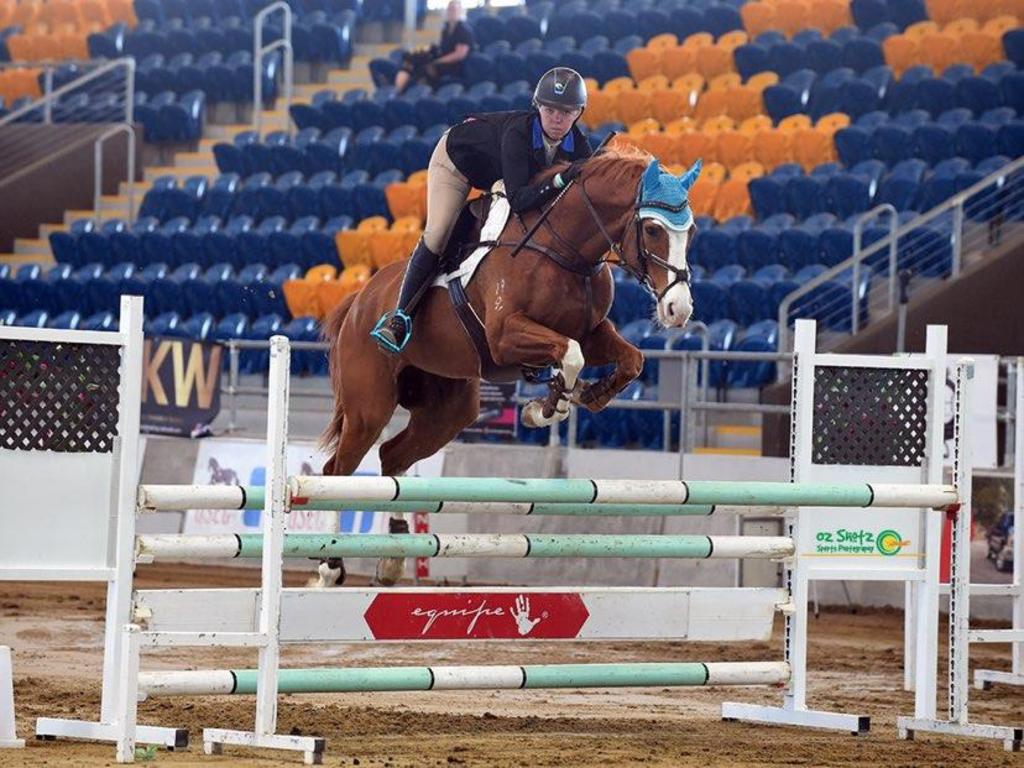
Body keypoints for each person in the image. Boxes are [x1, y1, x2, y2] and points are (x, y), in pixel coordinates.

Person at [371, 66, 593, 354]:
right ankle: (400, 318)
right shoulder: (519, 133)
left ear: (579, 113)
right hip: (456, 162)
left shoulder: (581, 147)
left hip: (499, 174)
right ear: (537, 106)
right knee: (438, 234)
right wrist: (561, 178)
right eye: (550, 110)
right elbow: (520, 199)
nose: (557, 118)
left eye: (566, 111)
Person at [394, 0, 474, 94]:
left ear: (460, 11)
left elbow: (459, 54)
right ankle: (397, 91)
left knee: (426, 68)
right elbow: (442, 48)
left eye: (454, 9)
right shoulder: (446, 29)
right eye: (449, 9)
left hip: (455, 66)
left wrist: (438, 61)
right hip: (442, 61)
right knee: (410, 61)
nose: (451, 12)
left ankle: (421, 93)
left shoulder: (464, 30)